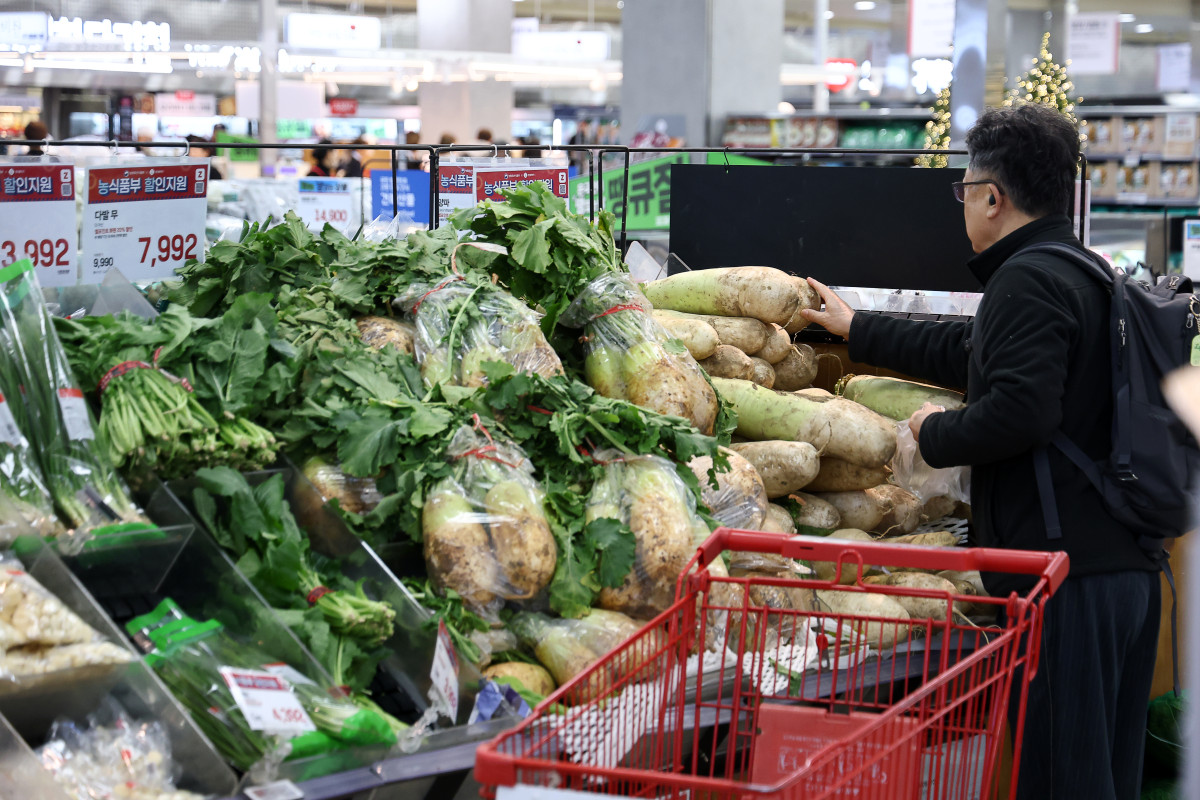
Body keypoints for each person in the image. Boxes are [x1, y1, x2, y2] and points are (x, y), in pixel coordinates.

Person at [800, 103, 1160, 800]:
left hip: (1067, 578)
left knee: (1061, 781)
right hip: (1119, 566)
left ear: (992, 197)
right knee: (1099, 777)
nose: (962, 202)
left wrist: (928, 434)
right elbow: (971, 352)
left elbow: (1021, 412)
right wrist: (859, 327)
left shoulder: (1028, 279)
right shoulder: (1079, 269)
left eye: (964, 188)